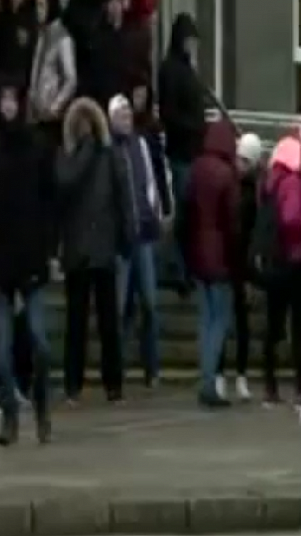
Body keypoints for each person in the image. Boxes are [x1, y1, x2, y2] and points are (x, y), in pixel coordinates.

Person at [0, 78, 56, 445]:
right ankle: (9, 416)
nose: (8, 105)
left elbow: (51, 198)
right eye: (3, 98)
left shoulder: (37, 145)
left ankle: (42, 408)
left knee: (40, 343)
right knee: (2, 352)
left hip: (32, 256)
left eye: (12, 98)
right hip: (3, 260)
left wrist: (47, 245)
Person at [57, 97, 131, 404]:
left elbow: (121, 197)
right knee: (94, 321)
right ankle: (102, 384)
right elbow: (65, 186)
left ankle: (86, 384)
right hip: (92, 248)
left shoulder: (81, 156)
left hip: (89, 248)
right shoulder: (92, 156)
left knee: (92, 322)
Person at [182, 118, 240, 408]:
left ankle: (204, 379)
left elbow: (185, 213)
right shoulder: (227, 175)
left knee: (205, 320)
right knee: (219, 321)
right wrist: (235, 260)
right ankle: (209, 383)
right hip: (219, 259)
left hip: (197, 254)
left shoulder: (196, 169)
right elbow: (232, 224)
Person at [108, 95, 165, 388]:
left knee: (150, 304)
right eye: (121, 114)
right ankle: (117, 366)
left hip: (143, 234)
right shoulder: (109, 150)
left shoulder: (139, 145)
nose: (127, 118)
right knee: (120, 307)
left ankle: (151, 367)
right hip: (121, 240)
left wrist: (154, 213)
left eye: (129, 113)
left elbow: (150, 183)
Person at [257, 137, 301, 406]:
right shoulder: (292, 183)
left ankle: (270, 385)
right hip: (295, 260)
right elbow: (291, 219)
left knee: (273, 326)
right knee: (298, 326)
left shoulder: (270, 182)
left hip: (274, 262)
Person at [158, 13, 205, 284]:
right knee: (184, 212)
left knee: (191, 211)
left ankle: (185, 265)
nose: (192, 46)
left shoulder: (187, 69)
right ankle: (178, 266)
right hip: (181, 151)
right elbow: (170, 112)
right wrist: (194, 126)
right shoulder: (171, 70)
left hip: (192, 150)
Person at [218, 133, 262, 401]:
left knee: (242, 322)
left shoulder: (254, 191)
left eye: (246, 160)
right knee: (224, 321)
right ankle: (220, 375)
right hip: (226, 259)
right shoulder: (229, 184)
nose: (240, 164)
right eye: (240, 158)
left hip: (242, 262)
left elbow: (255, 231)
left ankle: (241, 376)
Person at [28, 0, 76, 148]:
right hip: (37, 114)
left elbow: (71, 79)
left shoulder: (63, 38)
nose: (38, 10)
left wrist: (55, 107)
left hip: (54, 119)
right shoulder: (41, 36)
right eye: (36, 5)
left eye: (42, 5)